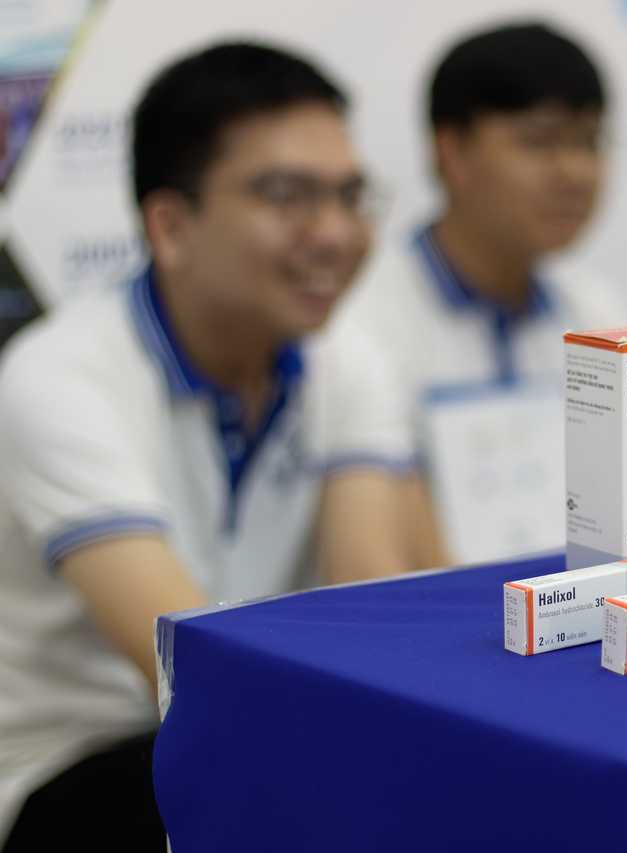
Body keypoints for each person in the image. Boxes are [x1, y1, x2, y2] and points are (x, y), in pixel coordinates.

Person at [0, 42, 434, 850]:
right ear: (170, 225)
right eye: (287, 196)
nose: (336, 233)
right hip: (77, 764)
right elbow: (185, 671)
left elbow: (372, 606)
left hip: (259, 723)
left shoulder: (347, 358)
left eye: (349, 195)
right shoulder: (59, 376)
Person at [334, 22, 627, 563]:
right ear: (452, 153)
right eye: (540, 142)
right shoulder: (358, 316)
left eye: (589, 142)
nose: (574, 172)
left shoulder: (597, 311)